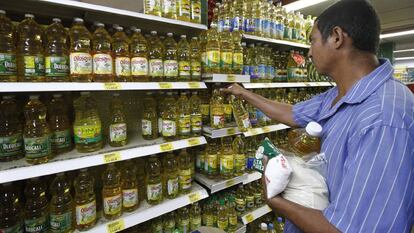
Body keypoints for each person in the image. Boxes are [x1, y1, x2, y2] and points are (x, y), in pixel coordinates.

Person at [222, 0, 414, 232]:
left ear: (336, 37)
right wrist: (244, 94)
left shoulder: (383, 119)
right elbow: (293, 114)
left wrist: (276, 202)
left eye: (312, 40)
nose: (309, 52)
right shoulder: (339, 93)